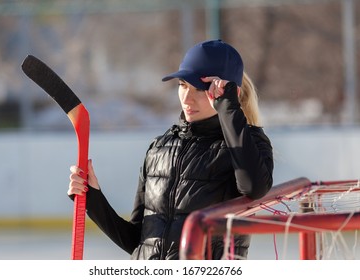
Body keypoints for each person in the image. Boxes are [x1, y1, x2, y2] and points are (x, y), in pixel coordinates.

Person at [68, 39, 274, 260]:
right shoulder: (159, 148)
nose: (187, 97)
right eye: (183, 85)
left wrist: (228, 110)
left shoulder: (247, 143)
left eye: (200, 88)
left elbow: (254, 187)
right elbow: (137, 240)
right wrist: (94, 199)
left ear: (229, 92)